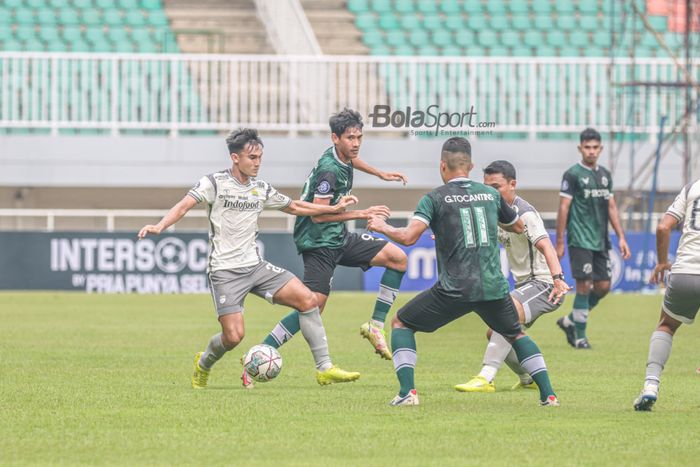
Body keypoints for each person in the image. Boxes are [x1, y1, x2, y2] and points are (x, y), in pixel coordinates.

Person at [138, 128, 361, 388]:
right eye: (252, 158)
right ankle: (203, 364)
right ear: (235, 158)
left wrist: (332, 207)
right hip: (224, 271)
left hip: (255, 267)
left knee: (308, 300)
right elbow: (184, 205)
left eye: (260, 158)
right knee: (233, 337)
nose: (257, 163)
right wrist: (160, 226)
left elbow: (296, 206)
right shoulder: (214, 183)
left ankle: (324, 368)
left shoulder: (261, 189)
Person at [367, 137, 559, 407]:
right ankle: (548, 395)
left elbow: (409, 237)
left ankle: (407, 393)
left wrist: (382, 226)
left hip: (454, 288)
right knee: (515, 334)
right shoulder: (491, 194)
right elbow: (516, 227)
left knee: (401, 323)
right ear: (470, 166)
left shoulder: (434, 198)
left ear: (443, 165)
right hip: (492, 286)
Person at [245, 109, 408, 387]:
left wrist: (380, 173)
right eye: (350, 138)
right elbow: (318, 215)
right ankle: (260, 354)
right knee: (312, 307)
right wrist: (362, 213)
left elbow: (353, 160)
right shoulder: (329, 171)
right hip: (318, 241)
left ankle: (375, 326)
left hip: (338, 236)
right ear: (335, 138)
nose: (356, 143)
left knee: (397, 258)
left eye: (359, 137)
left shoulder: (343, 156)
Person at [454, 160, 570, 393]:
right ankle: (527, 377)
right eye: (486, 186)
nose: (489, 192)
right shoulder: (494, 212)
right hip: (524, 285)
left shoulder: (524, 213)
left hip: (544, 284)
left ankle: (486, 376)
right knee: (494, 331)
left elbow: (547, 246)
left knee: (504, 318)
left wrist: (558, 278)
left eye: (496, 186)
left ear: (512, 184)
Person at [555, 128, 631, 349]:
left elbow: (612, 207)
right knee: (584, 285)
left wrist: (622, 237)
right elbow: (563, 208)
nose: (591, 151)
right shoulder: (572, 175)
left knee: (604, 286)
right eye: (587, 147)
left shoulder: (605, 174)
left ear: (601, 149)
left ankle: (569, 321)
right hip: (579, 239)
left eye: (595, 147)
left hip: (600, 240)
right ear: (580, 148)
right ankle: (580, 338)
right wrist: (560, 241)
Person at [634, 180, 700, 411]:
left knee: (666, 326)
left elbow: (663, 227)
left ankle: (651, 385)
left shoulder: (693, 188)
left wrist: (662, 263)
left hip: (684, 273)